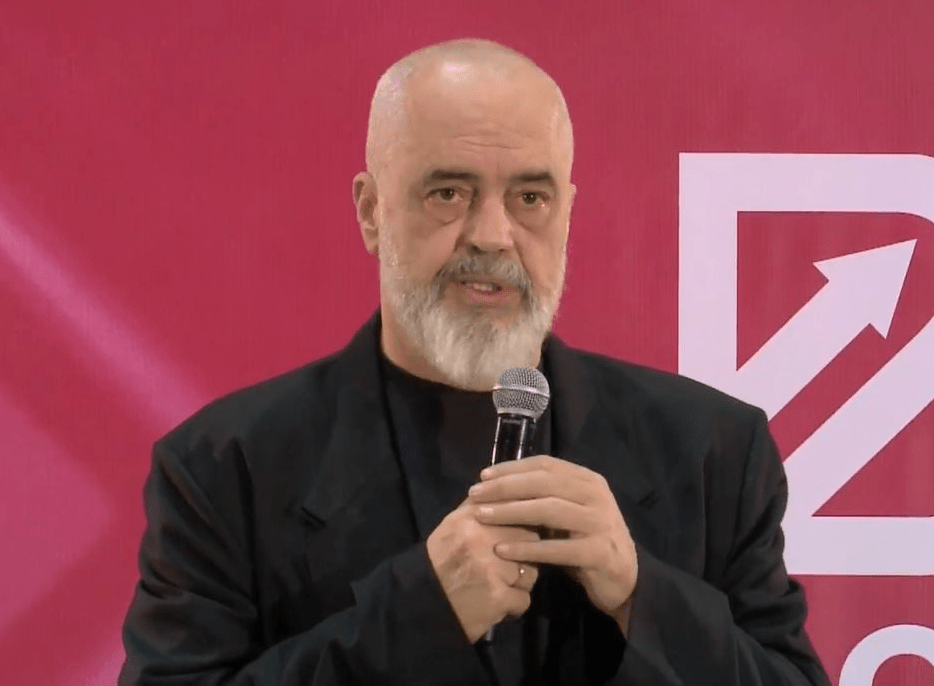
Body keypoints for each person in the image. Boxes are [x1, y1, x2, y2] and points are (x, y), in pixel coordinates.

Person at [119, 39, 829, 686]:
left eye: (530, 198)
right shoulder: (224, 468)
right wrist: (418, 617)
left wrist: (640, 594)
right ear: (371, 211)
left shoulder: (714, 453)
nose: (493, 235)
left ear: (567, 213)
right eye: (448, 193)